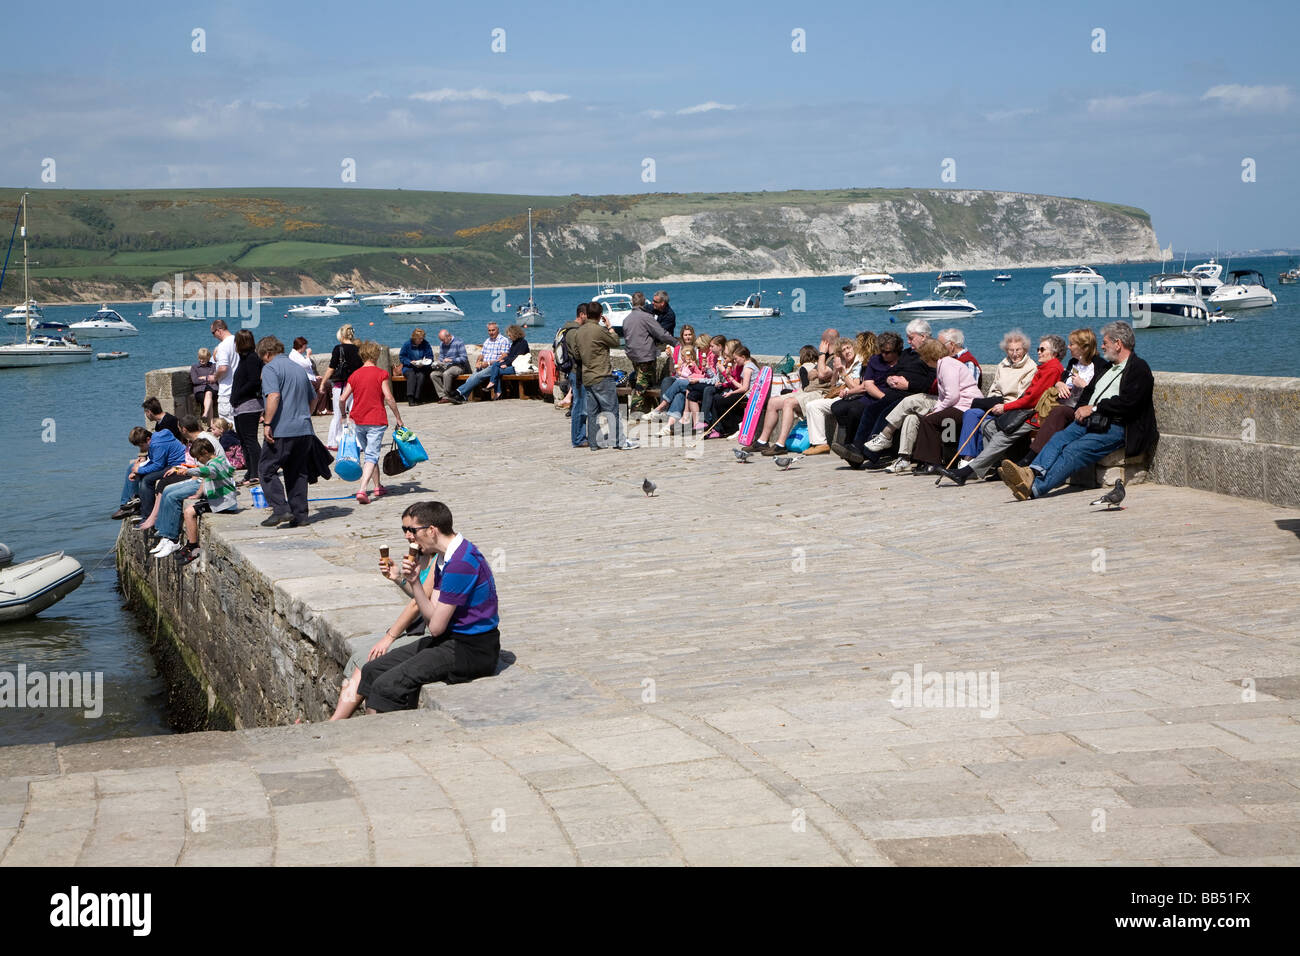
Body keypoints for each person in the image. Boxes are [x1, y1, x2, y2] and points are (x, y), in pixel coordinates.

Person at [352, 501, 501, 714]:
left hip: (472, 650)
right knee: (373, 669)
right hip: (450, 639)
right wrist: (409, 580)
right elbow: (432, 610)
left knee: (387, 687)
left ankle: (384, 741)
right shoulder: (445, 556)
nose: (408, 537)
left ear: (431, 530)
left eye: (412, 530)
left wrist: (414, 582)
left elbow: (436, 627)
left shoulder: (460, 563)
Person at [1000, 321, 1156, 501]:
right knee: (1059, 437)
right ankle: (1031, 473)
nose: (1102, 346)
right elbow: (1089, 391)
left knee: (1074, 450)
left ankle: (1034, 488)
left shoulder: (1138, 368)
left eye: (1105, 342)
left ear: (1118, 344)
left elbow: (1129, 403)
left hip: (1117, 426)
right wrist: (1081, 408)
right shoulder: (1108, 368)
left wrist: (1094, 407)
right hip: (1092, 419)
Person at [935, 335, 1068, 485]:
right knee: (988, 426)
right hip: (1024, 410)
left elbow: (1031, 399)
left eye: (1042, 349)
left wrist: (1005, 407)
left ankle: (965, 472)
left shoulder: (1051, 368)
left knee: (1001, 436)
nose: (1038, 352)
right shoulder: (1044, 368)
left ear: (1054, 352)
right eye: (1038, 349)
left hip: (1034, 415)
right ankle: (1000, 466)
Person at [1019, 327, 1110, 467]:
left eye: (1072, 344)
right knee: (1048, 412)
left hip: (1079, 408)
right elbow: (1061, 380)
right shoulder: (1073, 362)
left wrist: (1084, 386)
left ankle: (1029, 459)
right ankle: (1031, 461)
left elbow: (1100, 394)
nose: (1068, 347)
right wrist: (1059, 384)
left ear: (1084, 347)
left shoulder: (1100, 366)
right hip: (1063, 403)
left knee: (1058, 412)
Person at [257, 335, 317, 528]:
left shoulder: (270, 368)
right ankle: (300, 516)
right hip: (304, 428)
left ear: (267, 354)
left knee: (266, 469)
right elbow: (313, 398)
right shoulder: (298, 368)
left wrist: (267, 423)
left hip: (282, 430)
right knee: (298, 471)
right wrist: (304, 416)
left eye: (262, 358)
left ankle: (281, 509)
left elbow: (273, 396)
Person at [954, 329, 1036, 465]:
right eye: (1011, 350)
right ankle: (966, 458)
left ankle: (979, 462)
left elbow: (1023, 395)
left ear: (1025, 349)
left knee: (984, 422)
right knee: (971, 414)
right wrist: (992, 401)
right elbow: (994, 388)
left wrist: (1003, 406)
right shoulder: (1002, 365)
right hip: (996, 403)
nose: (1014, 354)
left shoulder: (1030, 367)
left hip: (1011, 408)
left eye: (1018, 350)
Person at [340, 340, 404, 504]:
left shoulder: (354, 375)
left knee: (370, 452)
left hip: (358, 420)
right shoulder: (381, 374)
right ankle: (362, 490)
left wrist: (343, 415)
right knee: (372, 455)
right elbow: (389, 398)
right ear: (375, 355)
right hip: (376, 419)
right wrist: (398, 417)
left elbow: (342, 399)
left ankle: (377, 486)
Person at [151, 438, 237, 561]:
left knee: (189, 512)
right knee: (192, 507)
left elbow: (206, 471)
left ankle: (193, 547)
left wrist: (188, 471)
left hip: (223, 504)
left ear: (205, 452)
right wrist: (198, 494)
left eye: (198, 457)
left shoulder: (214, 465)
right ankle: (187, 544)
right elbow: (211, 475)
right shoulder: (221, 460)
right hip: (225, 501)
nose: (198, 460)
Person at [830, 332, 904, 465]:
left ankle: (855, 452)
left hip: (892, 396)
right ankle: (851, 447)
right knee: (854, 409)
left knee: (866, 410)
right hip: (875, 395)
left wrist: (885, 399)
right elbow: (868, 384)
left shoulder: (904, 361)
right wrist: (883, 398)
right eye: (882, 351)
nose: (884, 355)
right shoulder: (875, 360)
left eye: (888, 352)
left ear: (896, 350)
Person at [569, 301, 635, 449]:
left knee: (593, 413)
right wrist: (610, 327)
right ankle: (619, 442)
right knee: (612, 411)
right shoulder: (599, 330)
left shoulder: (578, 332)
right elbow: (616, 341)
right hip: (602, 375)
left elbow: (577, 354)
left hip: (587, 377)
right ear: (600, 316)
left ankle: (594, 443)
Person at [112, 425, 187, 520]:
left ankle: (147, 514)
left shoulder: (157, 444)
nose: (141, 449)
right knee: (131, 467)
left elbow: (158, 465)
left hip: (176, 466)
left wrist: (138, 470)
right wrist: (141, 463)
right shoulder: (154, 439)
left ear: (148, 439)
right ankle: (126, 503)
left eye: (141, 446)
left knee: (146, 480)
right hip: (166, 464)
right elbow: (155, 459)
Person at [622, 291, 677, 407]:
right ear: (643, 303)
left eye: (655, 302)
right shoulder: (647, 315)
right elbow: (661, 334)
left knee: (645, 381)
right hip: (645, 356)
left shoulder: (626, 319)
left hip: (633, 354)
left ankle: (648, 408)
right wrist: (677, 343)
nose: (652, 304)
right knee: (642, 384)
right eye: (651, 301)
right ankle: (635, 412)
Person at [229, 329, 264, 487]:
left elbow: (254, 382)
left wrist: (237, 395)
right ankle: (250, 471)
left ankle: (257, 472)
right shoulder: (243, 358)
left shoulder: (251, 358)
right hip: (240, 406)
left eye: (236, 341)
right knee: (243, 440)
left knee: (250, 439)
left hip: (249, 405)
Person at [319, 324, 362, 450]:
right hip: (355, 385)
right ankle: (358, 443)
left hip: (341, 385)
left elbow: (331, 368)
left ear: (341, 336)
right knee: (355, 414)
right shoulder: (358, 349)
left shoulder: (338, 349)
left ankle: (334, 441)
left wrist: (323, 383)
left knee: (338, 414)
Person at [453, 322, 511, 403]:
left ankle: (458, 392)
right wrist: (478, 361)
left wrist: (488, 363)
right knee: (470, 378)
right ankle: (463, 397)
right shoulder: (487, 341)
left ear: (497, 330)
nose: (491, 332)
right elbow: (482, 355)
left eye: (493, 330)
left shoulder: (503, 340)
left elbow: (504, 356)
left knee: (478, 376)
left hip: (494, 366)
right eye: (489, 330)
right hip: (484, 365)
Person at [556, 304, 589, 447]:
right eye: (588, 315)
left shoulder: (564, 329)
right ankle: (578, 438)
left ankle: (580, 436)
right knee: (580, 406)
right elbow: (578, 353)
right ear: (582, 315)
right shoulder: (575, 332)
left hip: (571, 372)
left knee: (579, 405)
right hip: (578, 372)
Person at [488, 324, 530, 399]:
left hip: (518, 367)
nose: (509, 337)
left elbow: (517, 357)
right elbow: (510, 356)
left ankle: (496, 389)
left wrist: (506, 364)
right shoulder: (514, 343)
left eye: (510, 335)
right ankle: (495, 387)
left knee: (496, 371)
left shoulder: (523, 343)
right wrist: (503, 361)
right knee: (496, 364)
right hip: (513, 364)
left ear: (515, 334)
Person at [432, 329, 471, 403]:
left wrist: (452, 360)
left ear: (449, 336)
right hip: (446, 366)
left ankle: (448, 395)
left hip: (458, 366)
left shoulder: (459, 342)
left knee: (447, 373)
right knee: (433, 374)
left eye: (443, 340)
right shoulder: (442, 344)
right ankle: (443, 396)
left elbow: (464, 358)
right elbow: (441, 357)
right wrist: (438, 363)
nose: (442, 342)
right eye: (441, 340)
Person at [399, 328, 435, 405]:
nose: (421, 340)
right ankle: (410, 397)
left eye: (422, 338)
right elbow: (402, 357)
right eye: (419, 339)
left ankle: (417, 397)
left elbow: (430, 357)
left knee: (421, 376)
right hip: (409, 367)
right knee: (411, 375)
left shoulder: (426, 344)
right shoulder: (407, 344)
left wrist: (424, 363)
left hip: (422, 367)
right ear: (414, 338)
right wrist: (410, 362)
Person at [211, 319, 238, 421]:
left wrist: (214, 377)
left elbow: (223, 368)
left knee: (227, 426)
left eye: (213, 333)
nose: (214, 336)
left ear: (219, 330)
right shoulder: (239, 341)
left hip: (227, 391)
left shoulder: (223, 346)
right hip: (239, 389)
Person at [190, 348, 217, 423]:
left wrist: (204, 378)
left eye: (203, 359)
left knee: (209, 393)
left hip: (213, 389)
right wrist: (209, 378)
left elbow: (216, 379)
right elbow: (195, 381)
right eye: (200, 358)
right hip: (200, 391)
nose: (201, 360)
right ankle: (211, 424)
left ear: (208, 358)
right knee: (209, 397)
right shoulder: (194, 367)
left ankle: (205, 413)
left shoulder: (213, 366)